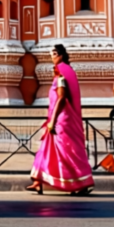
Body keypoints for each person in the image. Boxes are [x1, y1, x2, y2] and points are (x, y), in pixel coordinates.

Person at [28, 43, 94, 195]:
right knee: (47, 148)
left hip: (62, 121)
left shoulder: (61, 75)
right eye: (51, 54)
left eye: (55, 54)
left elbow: (61, 98)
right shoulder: (63, 73)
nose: (52, 57)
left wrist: (53, 121)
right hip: (59, 120)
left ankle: (82, 183)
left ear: (61, 55)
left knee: (68, 153)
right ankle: (38, 180)